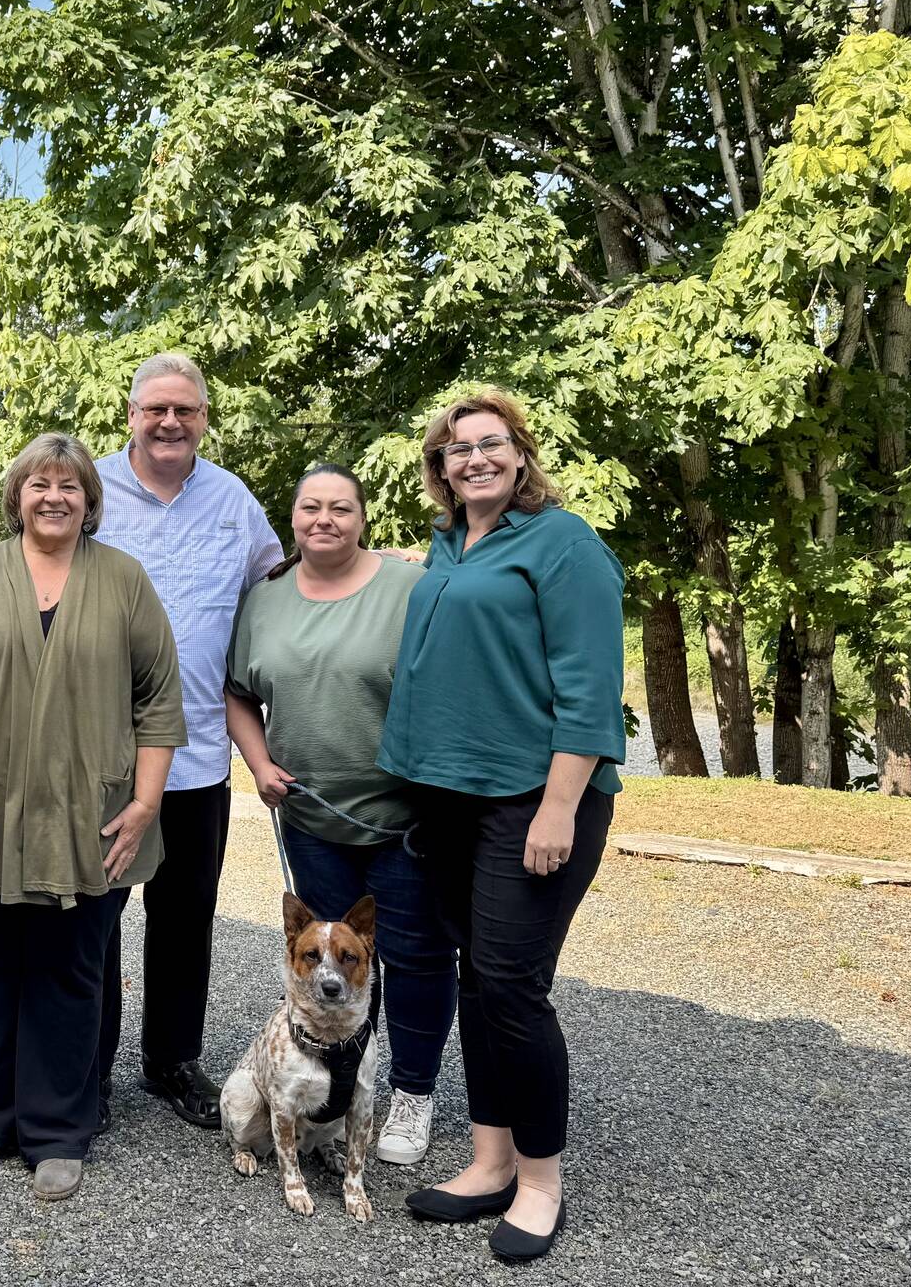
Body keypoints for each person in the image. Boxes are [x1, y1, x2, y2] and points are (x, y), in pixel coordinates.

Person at [377, 388, 625, 1265]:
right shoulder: (447, 547)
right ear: (439, 468)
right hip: (449, 803)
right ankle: (488, 1161)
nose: (474, 457)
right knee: (475, 983)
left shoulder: (565, 544)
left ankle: (541, 1181)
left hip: (533, 801)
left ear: (520, 456)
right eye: (456, 447)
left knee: (514, 987)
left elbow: (592, 688)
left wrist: (560, 804)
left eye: (491, 444)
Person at [0, 432, 185, 1204]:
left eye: (69, 486)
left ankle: (59, 1129)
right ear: (17, 496)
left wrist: (143, 805)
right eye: (39, 484)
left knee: (71, 971)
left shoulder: (124, 579)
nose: (54, 497)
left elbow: (159, 702)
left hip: (94, 816)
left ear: (90, 501)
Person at [224, 463, 456, 1169]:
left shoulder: (408, 587)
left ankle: (412, 1093)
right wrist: (260, 765)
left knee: (414, 958)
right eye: (310, 508)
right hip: (312, 819)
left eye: (342, 508)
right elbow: (237, 694)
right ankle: (341, 1086)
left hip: (404, 819)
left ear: (363, 518)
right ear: (291, 520)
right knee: (333, 966)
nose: (325, 519)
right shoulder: (263, 600)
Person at [93, 353, 282, 1130]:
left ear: (205, 416)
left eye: (187, 410)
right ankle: (86, 1069)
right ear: (131, 413)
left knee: (184, 916)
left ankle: (172, 1061)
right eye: (156, 409)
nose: (171, 422)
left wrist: (375, 574)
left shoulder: (233, 499)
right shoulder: (91, 488)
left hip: (199, 749)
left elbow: (280, 587)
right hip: (102, 750)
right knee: (93, 916)